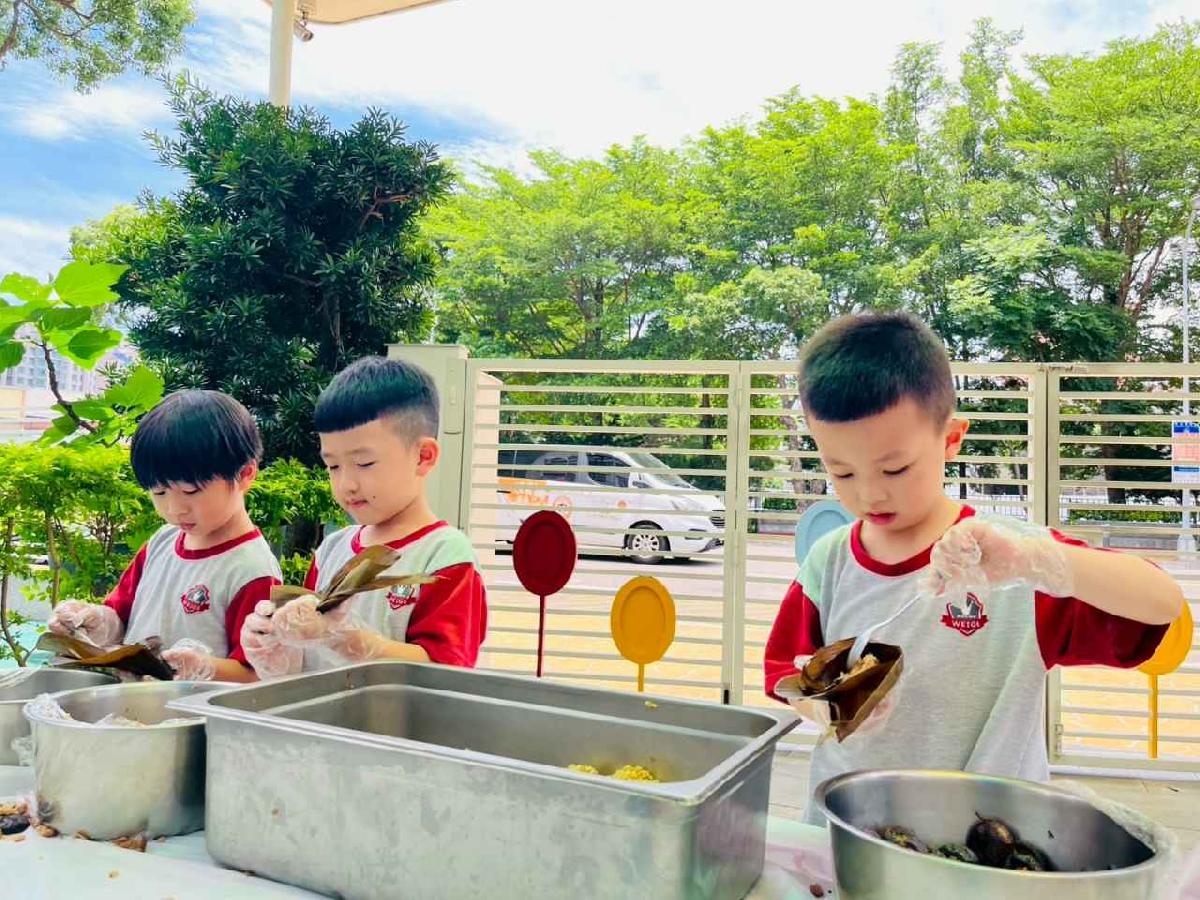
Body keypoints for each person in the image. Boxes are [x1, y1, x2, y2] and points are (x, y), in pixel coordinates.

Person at [764, 312, 1185, 823]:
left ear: (951, 439)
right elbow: (788, 673)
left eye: (895, 468)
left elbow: (1161, 603)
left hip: (985, 840)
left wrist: (1038, 563)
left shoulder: (1010, 557)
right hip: (845, 829)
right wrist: (823, 706)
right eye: (842, 472)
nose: (870, 494)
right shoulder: (829, 560)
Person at [242, 356, 487, 677]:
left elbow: (446, 673)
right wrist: (277, 652)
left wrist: (349, 641)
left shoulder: (444, 557)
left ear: (423, 456)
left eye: (364, 463)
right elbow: (310, 662)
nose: (347, 484)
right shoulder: (331, 550)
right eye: (333, 466)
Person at [48, 390, 281, 682]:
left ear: (245, 474)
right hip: (134, 703)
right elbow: (120, 617)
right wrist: (93, 622)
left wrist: (203, 668)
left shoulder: (252, 571)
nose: (174, 509)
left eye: (191, 491)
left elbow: (255, 673)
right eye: (159, 492)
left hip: (192, 711)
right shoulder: (162, 542)